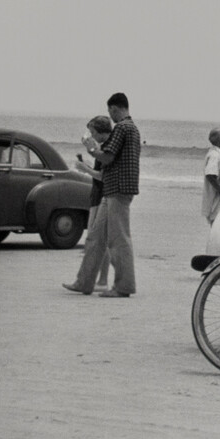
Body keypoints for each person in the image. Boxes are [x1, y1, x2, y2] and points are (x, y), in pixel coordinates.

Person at [64, 92, 141, 298]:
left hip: (117, 190)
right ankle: (84, 282)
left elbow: (106, 157)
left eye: (110, 111)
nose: (110, 116)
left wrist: (90, 148)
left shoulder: (122, 128)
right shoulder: (131, 129)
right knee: (96, 238)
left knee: (118, 239)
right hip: (115, 190)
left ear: (114, 108)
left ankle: (123, 286)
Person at [72, 115, 113, 288]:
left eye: (93, 132)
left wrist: (84, 169)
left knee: (96, 239)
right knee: (100, 239)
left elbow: (103, 176)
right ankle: (99, 279)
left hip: (100, 194)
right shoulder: (103, 148)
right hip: (98, 193)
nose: (91, 135)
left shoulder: (105, 149)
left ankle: (98, 279)